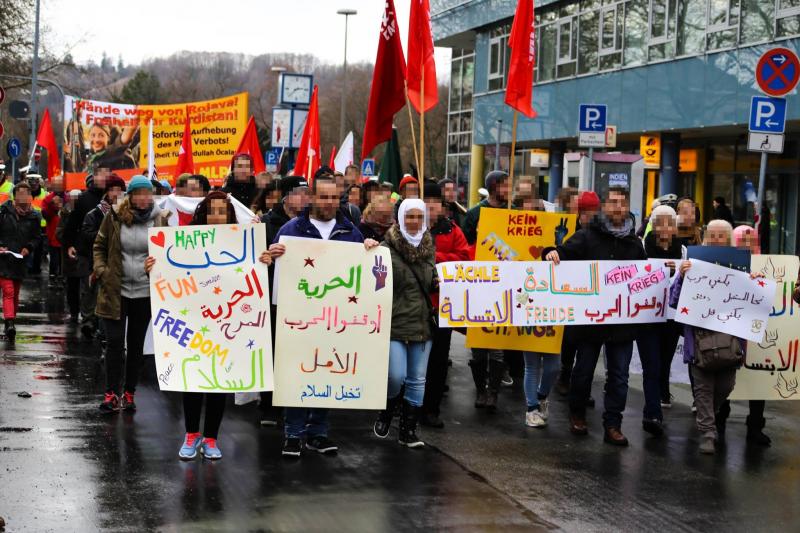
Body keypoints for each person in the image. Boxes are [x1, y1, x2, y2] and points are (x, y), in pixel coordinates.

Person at [144, 191, 273, 460]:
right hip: (194, 321)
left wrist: (264, 262)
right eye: (212, 211)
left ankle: (211, 438)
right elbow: (169, 273)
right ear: (204, 213)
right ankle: (191, 435)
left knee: (219, 383)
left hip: (227, 323)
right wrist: (153, 268)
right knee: (192, 379)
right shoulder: (185, 241)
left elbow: (256, 276)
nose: (217, 216)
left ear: (229, 215)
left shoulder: (244, 242)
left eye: (222, 211)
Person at [269, 175, 379, 458]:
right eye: (323, 197)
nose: (329, 203)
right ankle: (293, 433)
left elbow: (364, 273)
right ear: (312, 198)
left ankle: (318, 432)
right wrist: (271, 254)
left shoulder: (349, 230)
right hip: (298, 319)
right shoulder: (291, 229)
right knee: (296, 373)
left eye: (334, 198)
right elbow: (271, 269)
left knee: (327, 371)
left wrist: (369, 249)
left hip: (334, 321)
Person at [546, 187, 646, 446]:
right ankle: (577, 414)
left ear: (628, 208)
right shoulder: (587, 236)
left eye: (622, 203)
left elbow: (646, 277)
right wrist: (551, 252)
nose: (617, 207)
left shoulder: (634, 244)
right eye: (612, 202)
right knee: (584, 371)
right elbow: (562, 253)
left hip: (622, 323)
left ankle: (613, 424)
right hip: (590, 322)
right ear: (605, 207)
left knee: (619, 376)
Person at [671, 220, 761, 454]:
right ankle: (708, 433)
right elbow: (674, 301)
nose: (717, 239)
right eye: (712, 235)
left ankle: (707, 415)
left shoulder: (740, 269)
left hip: (729, 342)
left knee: (725, 386)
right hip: (699, 341)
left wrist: (757, 283)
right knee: (703, 388)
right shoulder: (691, 266)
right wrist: (681, 277)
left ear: (729, 239)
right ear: (706, 238)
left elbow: (755, 305)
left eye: (722, 236)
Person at [93, 176, 171, 413]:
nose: (145, 198)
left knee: (136, 345)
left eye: (149, 193)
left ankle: (129, 392)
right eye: (140, 193)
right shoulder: (115, 216)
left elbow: (170, 252)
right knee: (115, 343)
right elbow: (99, 245)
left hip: (145, 292)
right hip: (115, 290)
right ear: (131, 195)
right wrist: (102, 271)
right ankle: (110, 394)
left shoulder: (160, 219)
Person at [373, 198, 436, 447]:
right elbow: (376, 282)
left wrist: (439, 282)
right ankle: (387, 410)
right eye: (409, 216)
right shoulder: (385, 248)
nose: (414, 221)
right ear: (400, 218)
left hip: (422, 324)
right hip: (395, 323)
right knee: (395, 376)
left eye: (419, 217)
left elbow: (430, 279)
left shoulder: (430, 247)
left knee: (417, 379)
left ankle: (408, 430)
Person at [419, 183, 469, 428]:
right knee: (413, 361)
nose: (430, 206)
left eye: (434, 202)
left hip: (442, 307)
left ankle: (431, 409)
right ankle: (407, 408)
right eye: (426, 201)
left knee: (438, 362)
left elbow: (464, 259)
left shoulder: (453, 230)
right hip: (414, 306)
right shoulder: (410, 227)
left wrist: (435, 257)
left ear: (442, 206)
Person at [462, 171, 511, 410]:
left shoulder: (513, 214)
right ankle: (480, 390)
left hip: (503, 288)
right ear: (494, 187)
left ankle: (494, 393)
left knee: (498, 348)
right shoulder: (474, 214)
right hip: (479, 287)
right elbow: (464, 247)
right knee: (479, 346)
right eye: (505, 185)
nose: (509, 189)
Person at [635, 205, 682, 436]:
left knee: (663, 365)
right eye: (659, 222)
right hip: (647, 317)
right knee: (651, 366)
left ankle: (656, 405)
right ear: (653, 225)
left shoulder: (683, 251)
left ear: (674, 227)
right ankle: (651, 414)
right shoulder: (641, 248)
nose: (664, 227)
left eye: (669, 222)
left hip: (671, 320)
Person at [727, 225, 771, 446]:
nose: (746, 245)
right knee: (726, 378)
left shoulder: (770, 267)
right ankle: (718, 422)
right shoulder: (725, 265)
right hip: (731, 334)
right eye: (741, 241)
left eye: (750, 240)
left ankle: (755, 427)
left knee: (757, 382)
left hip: (757, 336)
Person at [62, 166, 109, 338]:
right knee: (88, 286)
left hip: (107, 251)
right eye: (100, 176)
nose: (103, 180)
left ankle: (99, 320)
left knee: (102, 287)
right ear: (94, 178)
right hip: (86, 250)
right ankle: (88, 319)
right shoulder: (84, 199)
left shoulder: (115, 198)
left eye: (106, 177)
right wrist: (69, 244)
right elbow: (72, 223)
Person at [0, 182, 42, 342]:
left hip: (20, 260)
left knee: (15, 293)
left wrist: (29, 248)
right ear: (15, 196)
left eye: (26, 193)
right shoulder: (4, 211)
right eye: (20, 193)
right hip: (4, 259)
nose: (23, 197)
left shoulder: (34, 216)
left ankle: (9, 321)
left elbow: (37, 237)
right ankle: (10, 323)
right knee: (8, 291)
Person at [57, 190, 83, 322]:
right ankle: (74, 311)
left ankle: (85, 313)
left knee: (84, 286)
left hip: (83, 254)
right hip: (69, 257)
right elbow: (59, 233)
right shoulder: (65, 214)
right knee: (72, 285)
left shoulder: (86, 213)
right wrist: (69, 242)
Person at [41, 176, 66, 287]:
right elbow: (46, 215)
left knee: (63, 258)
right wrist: (52, 205)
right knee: (54, 258)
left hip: (65, 234)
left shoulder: (68, 198)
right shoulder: (47, 199)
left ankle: (62, 277)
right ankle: (53, 277)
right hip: (53, 234)